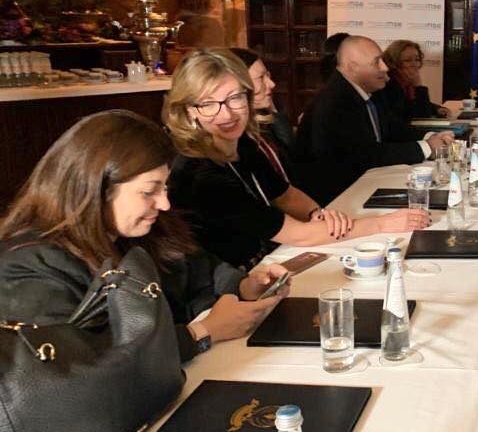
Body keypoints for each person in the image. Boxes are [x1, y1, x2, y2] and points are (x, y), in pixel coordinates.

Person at [0, 110, 289, 362]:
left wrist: (245, 286)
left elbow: (201, 271)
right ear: (97, 189)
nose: (164, 204)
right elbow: (76, 368)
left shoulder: (137, 230)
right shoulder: (28, 267)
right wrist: (202, 333)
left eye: (164, 188)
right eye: (149, 191)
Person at [165, 48, 429, 270]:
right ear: (189, 111)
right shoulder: (200, 174)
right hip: (231, 286)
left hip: (262, 263)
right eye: (208, 104)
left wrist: (318, 214)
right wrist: (383, 223)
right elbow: (298, 235)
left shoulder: (241, 144)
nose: (227, 114)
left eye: (235, 98)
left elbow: (284, 195)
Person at [294, 34, 454, 205]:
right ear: (353, 67)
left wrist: (430, 137)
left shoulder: (360, 92)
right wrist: (426, 147)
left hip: (362, 183)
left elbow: (391, 128)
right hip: (337, 199)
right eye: (377, 62)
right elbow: (366, 155)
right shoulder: (335, 101)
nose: (385, 67)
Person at [229, 47, 294, 182]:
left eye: (268, 75)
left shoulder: (265, 122)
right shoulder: (237, 139)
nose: (272, 84)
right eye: (261, 77)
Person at [380, 39, 449, 121]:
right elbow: (421, 116)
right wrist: (418, 86)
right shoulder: (389, 84)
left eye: (417, 59)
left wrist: (436, 109)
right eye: (407, 60)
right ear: (393, 63)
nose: (414, 64)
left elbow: (413, 103)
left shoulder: (405, 82)